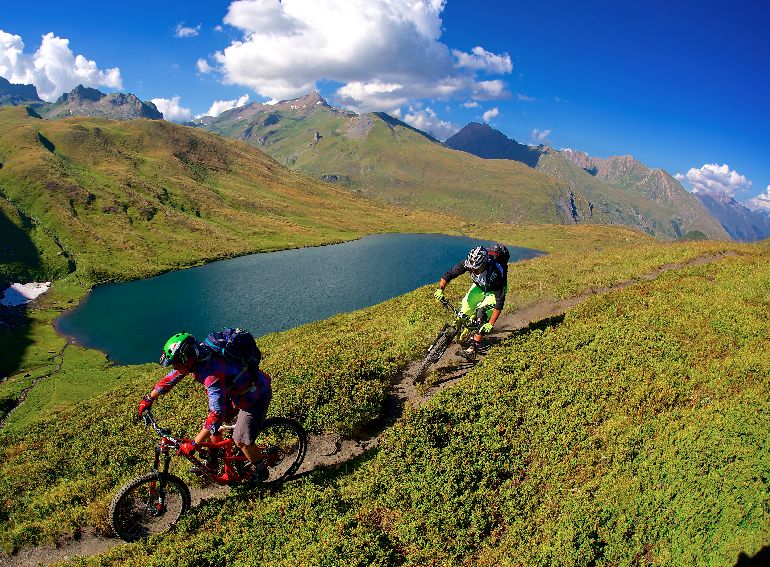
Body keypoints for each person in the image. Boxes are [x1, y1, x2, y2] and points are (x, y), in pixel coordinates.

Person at [137, 331, 272, 482]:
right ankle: (214, 462)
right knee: (215, 427)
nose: (175, 367)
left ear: (187, 359)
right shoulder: (199, 356)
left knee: (240, 440)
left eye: (177, 363)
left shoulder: (211, 373)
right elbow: (172, 377)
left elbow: (216, 413)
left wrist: (195, 444)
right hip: (235, 393)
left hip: (254, 396)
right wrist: (148, 399)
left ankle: (261, 469)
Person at [433, 245, 508, 358]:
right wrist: (440, 289)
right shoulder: (468, 264)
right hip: (479, 286)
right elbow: (449, 274)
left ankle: (473, 347)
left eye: (476, 269)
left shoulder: (495, 273)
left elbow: (499, 302)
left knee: (481, 313)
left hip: (494, 290)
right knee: (463, 311)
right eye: (471, 268)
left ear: (484, 264)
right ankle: (455, 333)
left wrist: (490, 324)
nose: (473, 270)